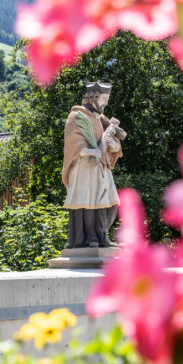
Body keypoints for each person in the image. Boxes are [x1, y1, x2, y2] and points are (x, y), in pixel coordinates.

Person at [62, 81, 124, 248]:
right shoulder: (77, 116)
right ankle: (90, 239)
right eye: (104, 99)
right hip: (84, 167)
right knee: (87, 203)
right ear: (94, 98)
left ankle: (103, 236)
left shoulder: (101, 118)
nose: (106, 103)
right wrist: (87, 151)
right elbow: (72, 140)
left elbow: (114, 142)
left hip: (102, 167)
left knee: (110, 203)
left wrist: (114, 145)